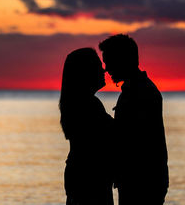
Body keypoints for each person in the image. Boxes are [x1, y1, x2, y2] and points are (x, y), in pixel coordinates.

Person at [99, 34, 169, 205]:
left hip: (142, 182)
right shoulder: (137, 89)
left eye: (109, 62)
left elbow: (133, 139)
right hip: (141, 180)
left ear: (123, 59)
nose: (106, 69)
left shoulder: (140, 92)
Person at [59, 48, 115, 205]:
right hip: (89, 178)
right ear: (85, 72)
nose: (103, 70)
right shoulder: (87, 104)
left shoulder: (78, 103)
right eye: (98, 66)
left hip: (82, 175)